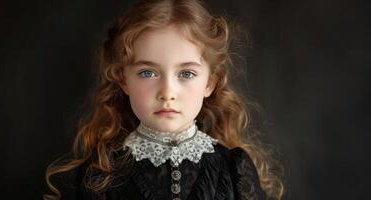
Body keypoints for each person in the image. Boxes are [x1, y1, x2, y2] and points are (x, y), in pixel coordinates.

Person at [44, 0, 285, 199]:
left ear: (210, 83)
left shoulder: (234, 170)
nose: (167, 92)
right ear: (123, 81)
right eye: (148, 73)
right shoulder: (99, 177)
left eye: (186, 73)